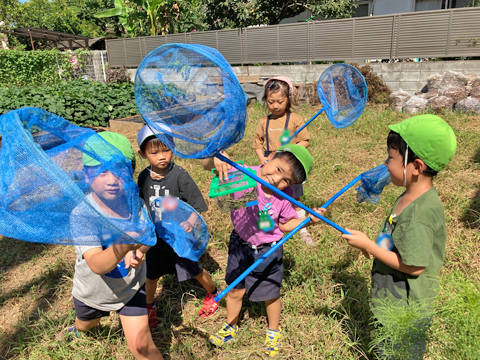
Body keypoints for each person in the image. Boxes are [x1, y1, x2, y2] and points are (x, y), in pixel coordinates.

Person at [342, 114, 457, 359]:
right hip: (392, 299)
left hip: (404, 311)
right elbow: (394, 237)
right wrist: (373, 245)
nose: (385, 164)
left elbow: (414, 266)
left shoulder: (419, 214)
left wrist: (370, 248)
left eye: (391, 158)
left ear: (416, 167)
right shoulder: (409, 195)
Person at [203, 144, 326, 357]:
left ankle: (273, 331)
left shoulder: (285, 196)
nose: (277, 180)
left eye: (287, 180)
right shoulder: (243, 172)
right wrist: (216, 158)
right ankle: (230, 326)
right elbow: (208, 165)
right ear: (269, 157)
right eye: (278, 169)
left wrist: (306, 221)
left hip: (269, 250)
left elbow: (285, 225)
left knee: (271, 293)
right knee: (234, 288)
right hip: (240, 245)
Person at [69, 131, 163, 360]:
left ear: (131, 171)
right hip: (92, 292)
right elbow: (96, 264)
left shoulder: (136, 203)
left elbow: (148, 236)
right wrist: (122, 248)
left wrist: (139, 251)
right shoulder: (82, 214)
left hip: (130, 289)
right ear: (86, 174)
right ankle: (80, 329)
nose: (111, 180)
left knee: (143, 347)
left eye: (120, 171)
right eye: (101, 171)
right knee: (86, 324)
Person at [136, 126, 220, 327]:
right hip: (156, 238)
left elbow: (196, 207)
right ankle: (149, 307)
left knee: (195, 269)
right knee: (151, 275)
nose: (161, 156)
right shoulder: (143, 177)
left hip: (180, 236)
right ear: (143, 153)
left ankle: (213, 294)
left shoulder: (180, 175)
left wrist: (189, 222)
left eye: (166, 150)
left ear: (173, 148)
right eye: (154, 152)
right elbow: (142, 205)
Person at [253, 76, 314, 245]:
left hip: (289, 167)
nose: (275, 105)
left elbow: (305, 141)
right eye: (271, 101)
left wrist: (290, 150)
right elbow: (258, 144)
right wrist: (262, 158)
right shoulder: (264, 121)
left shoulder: (295, 119)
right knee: (266, 198)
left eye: (279, 101)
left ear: (288, 99)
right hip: (271, 165)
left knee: (294, 198)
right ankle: (267, 227)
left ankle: (302, 228)